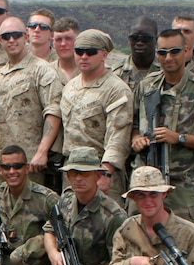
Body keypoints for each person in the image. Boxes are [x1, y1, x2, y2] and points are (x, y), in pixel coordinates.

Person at [131, 28, 194, 224]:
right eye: (162, 52)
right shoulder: (146, 86)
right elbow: (133, 124)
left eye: (174, 51)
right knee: (139, 241)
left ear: (186, 51)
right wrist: (136, 139)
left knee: (185, 244)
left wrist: (180, 138)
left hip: (182, 185)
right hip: (145, 182)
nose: (168, 58)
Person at [0, 16, 64, 212]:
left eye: (16, 35)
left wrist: (42, 152)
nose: (11, 40)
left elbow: (54, 111)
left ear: (26, 37)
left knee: (31, 216)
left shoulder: (42, 70)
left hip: (28, 161)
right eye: (6, 37)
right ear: (0, 41)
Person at [58, 29, 134, 196]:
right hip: (72, 170)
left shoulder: (116, 89)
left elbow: (118, 136)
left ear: (104, 55)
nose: (84, 56)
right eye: (79, 51)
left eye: (91, 52)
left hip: (99, 170)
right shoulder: (70, 87)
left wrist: (106, 172)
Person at [113, 16, 159, 92]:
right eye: (134, 38)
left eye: (146, 38)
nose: (139, 42)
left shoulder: (166, 71)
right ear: (129, 39)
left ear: (156, 40)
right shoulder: (116, 74)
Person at [51, 16, 80, 83]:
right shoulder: (45, 72)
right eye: (58, 39)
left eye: (68, 38)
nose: (63, 44)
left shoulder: (91, 71)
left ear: (78, 39)